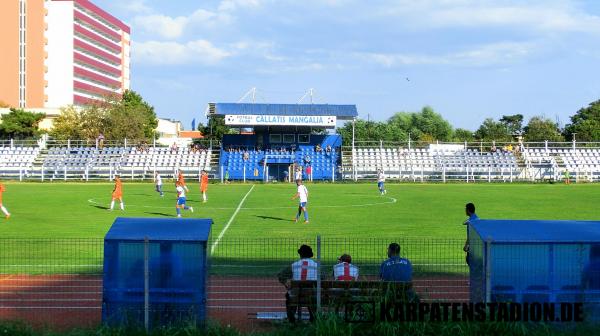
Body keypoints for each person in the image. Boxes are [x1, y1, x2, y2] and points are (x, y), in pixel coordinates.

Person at [277, 245, 318, 323]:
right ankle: (313, 318)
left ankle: (291, 320)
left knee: (289, 296)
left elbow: (281, 275)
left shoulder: (294, 265)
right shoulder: (316, 266)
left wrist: (286, 282)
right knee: (312, 293)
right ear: (310, 255)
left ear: (300, 254)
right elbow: (324, 278)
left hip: (296, 296)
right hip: (311, 296)